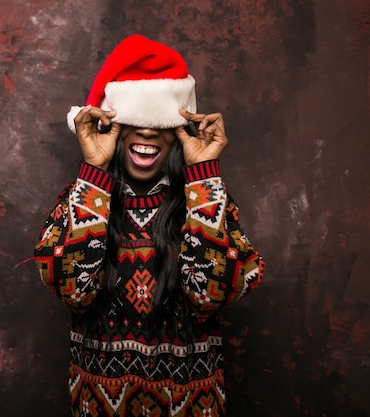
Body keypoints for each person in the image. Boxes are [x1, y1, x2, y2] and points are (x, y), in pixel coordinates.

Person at [33, 34, 265, 417]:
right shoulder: (81, 198)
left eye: (160, 122)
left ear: (179, 130)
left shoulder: (205, 199)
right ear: (113, 126)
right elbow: (72, 291)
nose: (146, 132)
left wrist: (203, 175)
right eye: (134, 121)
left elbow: (212, 295)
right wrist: (92, 172)